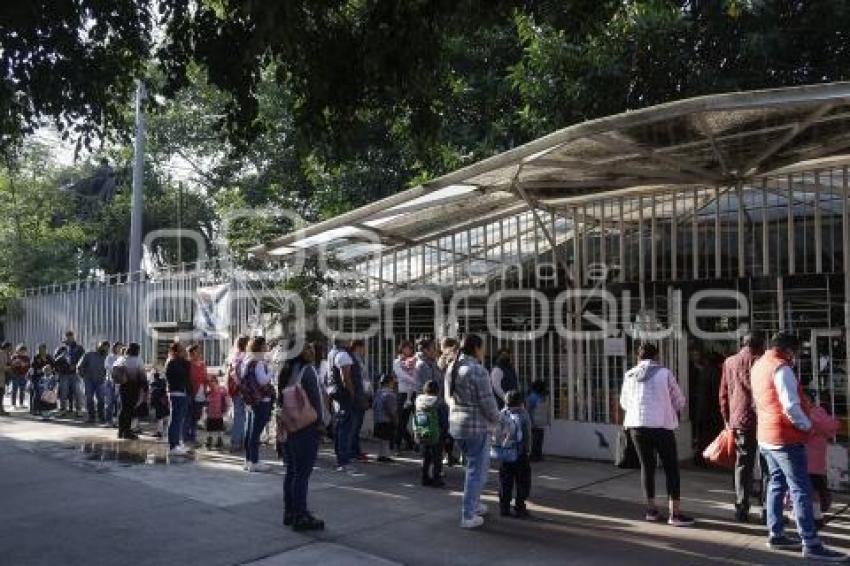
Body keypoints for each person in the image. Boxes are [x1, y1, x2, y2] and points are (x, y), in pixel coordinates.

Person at [751, 332, 846, 561]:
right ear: (788, 350)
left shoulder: (759, 365)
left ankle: (776, 534)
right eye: (795, 351)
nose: (796, 356)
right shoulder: (781, 369)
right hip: (786, 438)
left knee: (776, 483)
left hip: (766, 436)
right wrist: (806, 427)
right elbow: (791, 406)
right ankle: (811, 543)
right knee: (801, 489)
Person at [620, 343, 693, 527]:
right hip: (661, 426)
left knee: (647, 467)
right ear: (656, 356)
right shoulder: (665, 373)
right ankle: (674, 515)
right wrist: (666, 408)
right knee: (671, 469)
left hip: (637, 427)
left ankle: (651, 511)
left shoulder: (629, 374)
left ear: (638, 356)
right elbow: (679, 401)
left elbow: (624, 403)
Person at [446, 334, 500, 529]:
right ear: (476, 348)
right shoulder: (477, 370)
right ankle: (468, 515)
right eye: (483, 347)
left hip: (457, 425)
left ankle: (475, 505)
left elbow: (448, 397)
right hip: (476, 427)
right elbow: (487, 402)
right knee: (476, 472)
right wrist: (498, 420)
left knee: (474, 469)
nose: (484, 351)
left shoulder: (453, 367)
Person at [718, 333, 764, 522]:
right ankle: (767, 509)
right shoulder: (762, 361)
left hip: (739, 419)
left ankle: (741, 507)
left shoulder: (729, 362)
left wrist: (727, 419)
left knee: (742, 464)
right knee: (768, 466)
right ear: (760, 345)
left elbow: (723, 393)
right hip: (763, 419)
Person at [280, 342, 325, 531]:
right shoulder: (308, 371)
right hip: (306, 426)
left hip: (289, 426)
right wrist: (321, 423)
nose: (311, 351)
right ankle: (301, 515)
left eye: (311, 347)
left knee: (292, 471)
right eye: (306, 348)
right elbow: (316, 399)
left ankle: (290, 511)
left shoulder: (286, 371)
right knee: (302, 474)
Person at [331, 339, 367, 471]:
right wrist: (353, 395)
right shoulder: (343, 355)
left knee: (341, 428)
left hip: (341, 395)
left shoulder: (333, 353)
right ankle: (343, 461)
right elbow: (346, 377)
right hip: (346, 397)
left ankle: (341, 458)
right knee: (345, 429)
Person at [496, 390, 532, 518]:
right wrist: (528, 450)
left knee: (505, 481)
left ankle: (504, 507)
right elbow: (527, 434)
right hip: (520, 453)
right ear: (520, 401)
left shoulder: (501, 414)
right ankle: (520, 506)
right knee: (523, 481)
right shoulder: (523, 414)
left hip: (505, 454)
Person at [805, 389, 838, 530]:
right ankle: (817, 516)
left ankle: (815, 516)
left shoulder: (807, 414)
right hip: (816, 463)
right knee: (815, 490)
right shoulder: (819, 413)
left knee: (811, 490)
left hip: (807, 462)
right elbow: (833, 426)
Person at [242, 336, 275, 472]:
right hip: (261, 400)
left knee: (249, 431)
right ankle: (254, 462)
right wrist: (271, 371)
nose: (266, 347)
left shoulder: (248, 360)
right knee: (255, 433)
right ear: (260, 347)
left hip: (251, 400)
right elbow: (262, 381)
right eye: (265, 345)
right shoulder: (259, 363)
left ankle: (249, 460)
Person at [414, 379, 449, 487]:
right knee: (437, 458)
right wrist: (446, 433)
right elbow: (443, 420)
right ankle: (436, 479)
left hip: (422, 431)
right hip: (436, 433)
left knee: (426, 457)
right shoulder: (440, 402)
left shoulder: (418, 400)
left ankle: (424, 478)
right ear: (437, 390)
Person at [113, 343, 145, 441]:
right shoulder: (137, 360)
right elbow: (142, 375)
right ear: (137, 350)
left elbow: (113, 372)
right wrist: (145, 388)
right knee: (130, 409)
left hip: (122, 387)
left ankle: (120, 431)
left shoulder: (121, 359)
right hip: (134, 387)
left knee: (123, 409)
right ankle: (127, 431)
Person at [165, 342, 191, 456]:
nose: (183, 352)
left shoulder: (180, 362)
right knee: (175, 419)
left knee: (179, 420)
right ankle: (173, 445)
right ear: (175, 351)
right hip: (177, 392)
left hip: (182, 392)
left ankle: (177, 443)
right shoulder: (172, 362)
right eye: (181, 350)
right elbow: (181, 376)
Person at [438, 337, 460, 466]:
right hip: (450, 398)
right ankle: (450, 455)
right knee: (449, 429)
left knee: (448, 429)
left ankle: (448, 455)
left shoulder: (445, 360)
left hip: (446, 398)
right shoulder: (451, 360)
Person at [393, 340, 417, 451]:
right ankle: (398, 444)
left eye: (411, 348)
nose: (410, 350)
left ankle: (415, 443)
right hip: (403, 393)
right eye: (407, 348)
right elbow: (400, 375)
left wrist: (415, 380)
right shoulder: (397, 361)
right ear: (402, 349)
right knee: (402, 420)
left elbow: (416, 372)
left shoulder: (413, 361)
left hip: (413, 392)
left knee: (418, 419)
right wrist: (413, 380)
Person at [77, 340, 109, 423]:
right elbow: (79, 366)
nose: (104, 349)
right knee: (89, 399)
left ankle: (101, 417)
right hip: (89, 381)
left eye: (106, 348)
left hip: (101, 381)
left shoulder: (107, 357)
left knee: (101, 400)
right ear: (98, 346)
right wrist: (83, 376)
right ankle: (91, 417)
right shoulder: (89, 355)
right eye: (102, 346)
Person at [227, 336, 249, 452]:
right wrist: (242, 386)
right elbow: (239, 374)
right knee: (242, 417)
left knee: (239, 416)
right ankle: (238, 442)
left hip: (236, 390)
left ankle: (238, 441)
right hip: (242, 390)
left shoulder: (234, 356)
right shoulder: (244, 357)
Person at [54, 332, 85, 416]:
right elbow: (55, 361)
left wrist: (75, 366)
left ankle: (79, 410)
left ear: (73, 337)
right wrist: (62, 357)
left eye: (71, 337)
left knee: (78, 392)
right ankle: (63, 409)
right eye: (67, 337)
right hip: (64, 374)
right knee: (63, 393)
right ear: (65, 338)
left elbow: (83, 359)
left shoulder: (79, 348)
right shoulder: (61, 348)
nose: (69, 339)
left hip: (75, 374)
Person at [349, 339, 370, 462]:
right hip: (358, 396)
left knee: (356, 425)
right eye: (363, 347)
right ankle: (353, 451)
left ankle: (356, 450)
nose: (365, 350)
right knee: (355, 426)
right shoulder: (354, 360)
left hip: (361, 395)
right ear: (358, 347)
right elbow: (360, 379)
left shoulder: (358, 359)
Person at [186, 344, 208, 446]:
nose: (199, 352)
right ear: (191, 352)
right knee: (189, 415)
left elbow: (205, 378)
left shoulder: (203, 364)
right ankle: (187, 437)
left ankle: (193, 436)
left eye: (199, 350)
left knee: (196, 416)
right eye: (197, 350)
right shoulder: (188, 363)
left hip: (201, 393)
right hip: (191, 392)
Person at [373, 373, 398, 463]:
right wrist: (395, 419)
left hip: (378, 419)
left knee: (382, 440)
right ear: (390, 382)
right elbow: (390, 409)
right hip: (387, 420)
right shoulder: (390, 394)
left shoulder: (377, 393)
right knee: (386, 440)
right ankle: (385, 456)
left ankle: (381, 455)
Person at [527, 379, 550, 462]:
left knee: (539, 438)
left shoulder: (540, 396)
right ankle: (534, 455)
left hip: (539, 422)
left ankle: (538, 454)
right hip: (535, 422)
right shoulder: (533, 397)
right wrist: (531, 421)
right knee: (536, 439)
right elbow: (529, 409)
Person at [205, 373, 229, 450]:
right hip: (210, 413)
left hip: (218, 412)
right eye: (211, 381)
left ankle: (219, 440)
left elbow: (225, 400)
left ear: (216, 381)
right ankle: (210, 439)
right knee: (210, 428)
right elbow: (206, 402)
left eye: (213, 381)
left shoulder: (221, 390)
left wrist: (226, 408)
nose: (212, 383)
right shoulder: (209, 391)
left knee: (219, 427)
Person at [29, 344, 54, 416]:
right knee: (37, 393)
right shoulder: (36, 357)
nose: (42, 351)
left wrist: (50, 371)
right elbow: (33, 368)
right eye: (40, 349)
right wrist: (39, 370)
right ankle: (34, 409)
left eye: (43, 349)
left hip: (46, 378)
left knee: (45, 394)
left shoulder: (49, 357)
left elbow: (53, 366)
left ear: (46, 349)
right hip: (36, 378)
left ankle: (43, 409)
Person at [104, 341, 124, 427]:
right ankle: (109, 421)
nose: (119, 349)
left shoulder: (123, 357)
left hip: (120, 383)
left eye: (121, 347)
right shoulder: (110, 357)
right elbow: (107, 366)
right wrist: (116, 368)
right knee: (109, 403)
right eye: (118, 347)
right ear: (114, 348)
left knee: (118, 403)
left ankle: (117, 421)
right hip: (110, 382)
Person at [150, 369, 170, 440]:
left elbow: (153, 395)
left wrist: (152, 404)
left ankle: (159, 432)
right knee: (165, 416)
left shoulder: (154, 384)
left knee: (160, 418)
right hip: (164, 402)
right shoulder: (163, 382)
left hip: (158, 402)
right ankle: (165, 432)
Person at [9, 344, 31, 410]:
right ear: (17, 350)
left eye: (24, 351)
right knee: (14, 390)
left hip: (23, 375)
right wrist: (16, 363)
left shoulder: (27, 358)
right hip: (15, 375)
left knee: (22, 390)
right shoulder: (14, 357)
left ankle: (21, 403)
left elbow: (28, 366)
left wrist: (25, 365)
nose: (23, 352)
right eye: (21, 350)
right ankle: (13, 404)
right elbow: (11, 365)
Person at [0, 342, 10, 415]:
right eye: (10, 347)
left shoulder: (6, 354)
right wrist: (9, 368)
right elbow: (1, 366)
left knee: (1, 394)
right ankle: (1, 410)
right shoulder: (1, 354)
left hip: (2, 377)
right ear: (7, 347)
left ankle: (1, 409)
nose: (11, 348)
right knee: (0, 394)